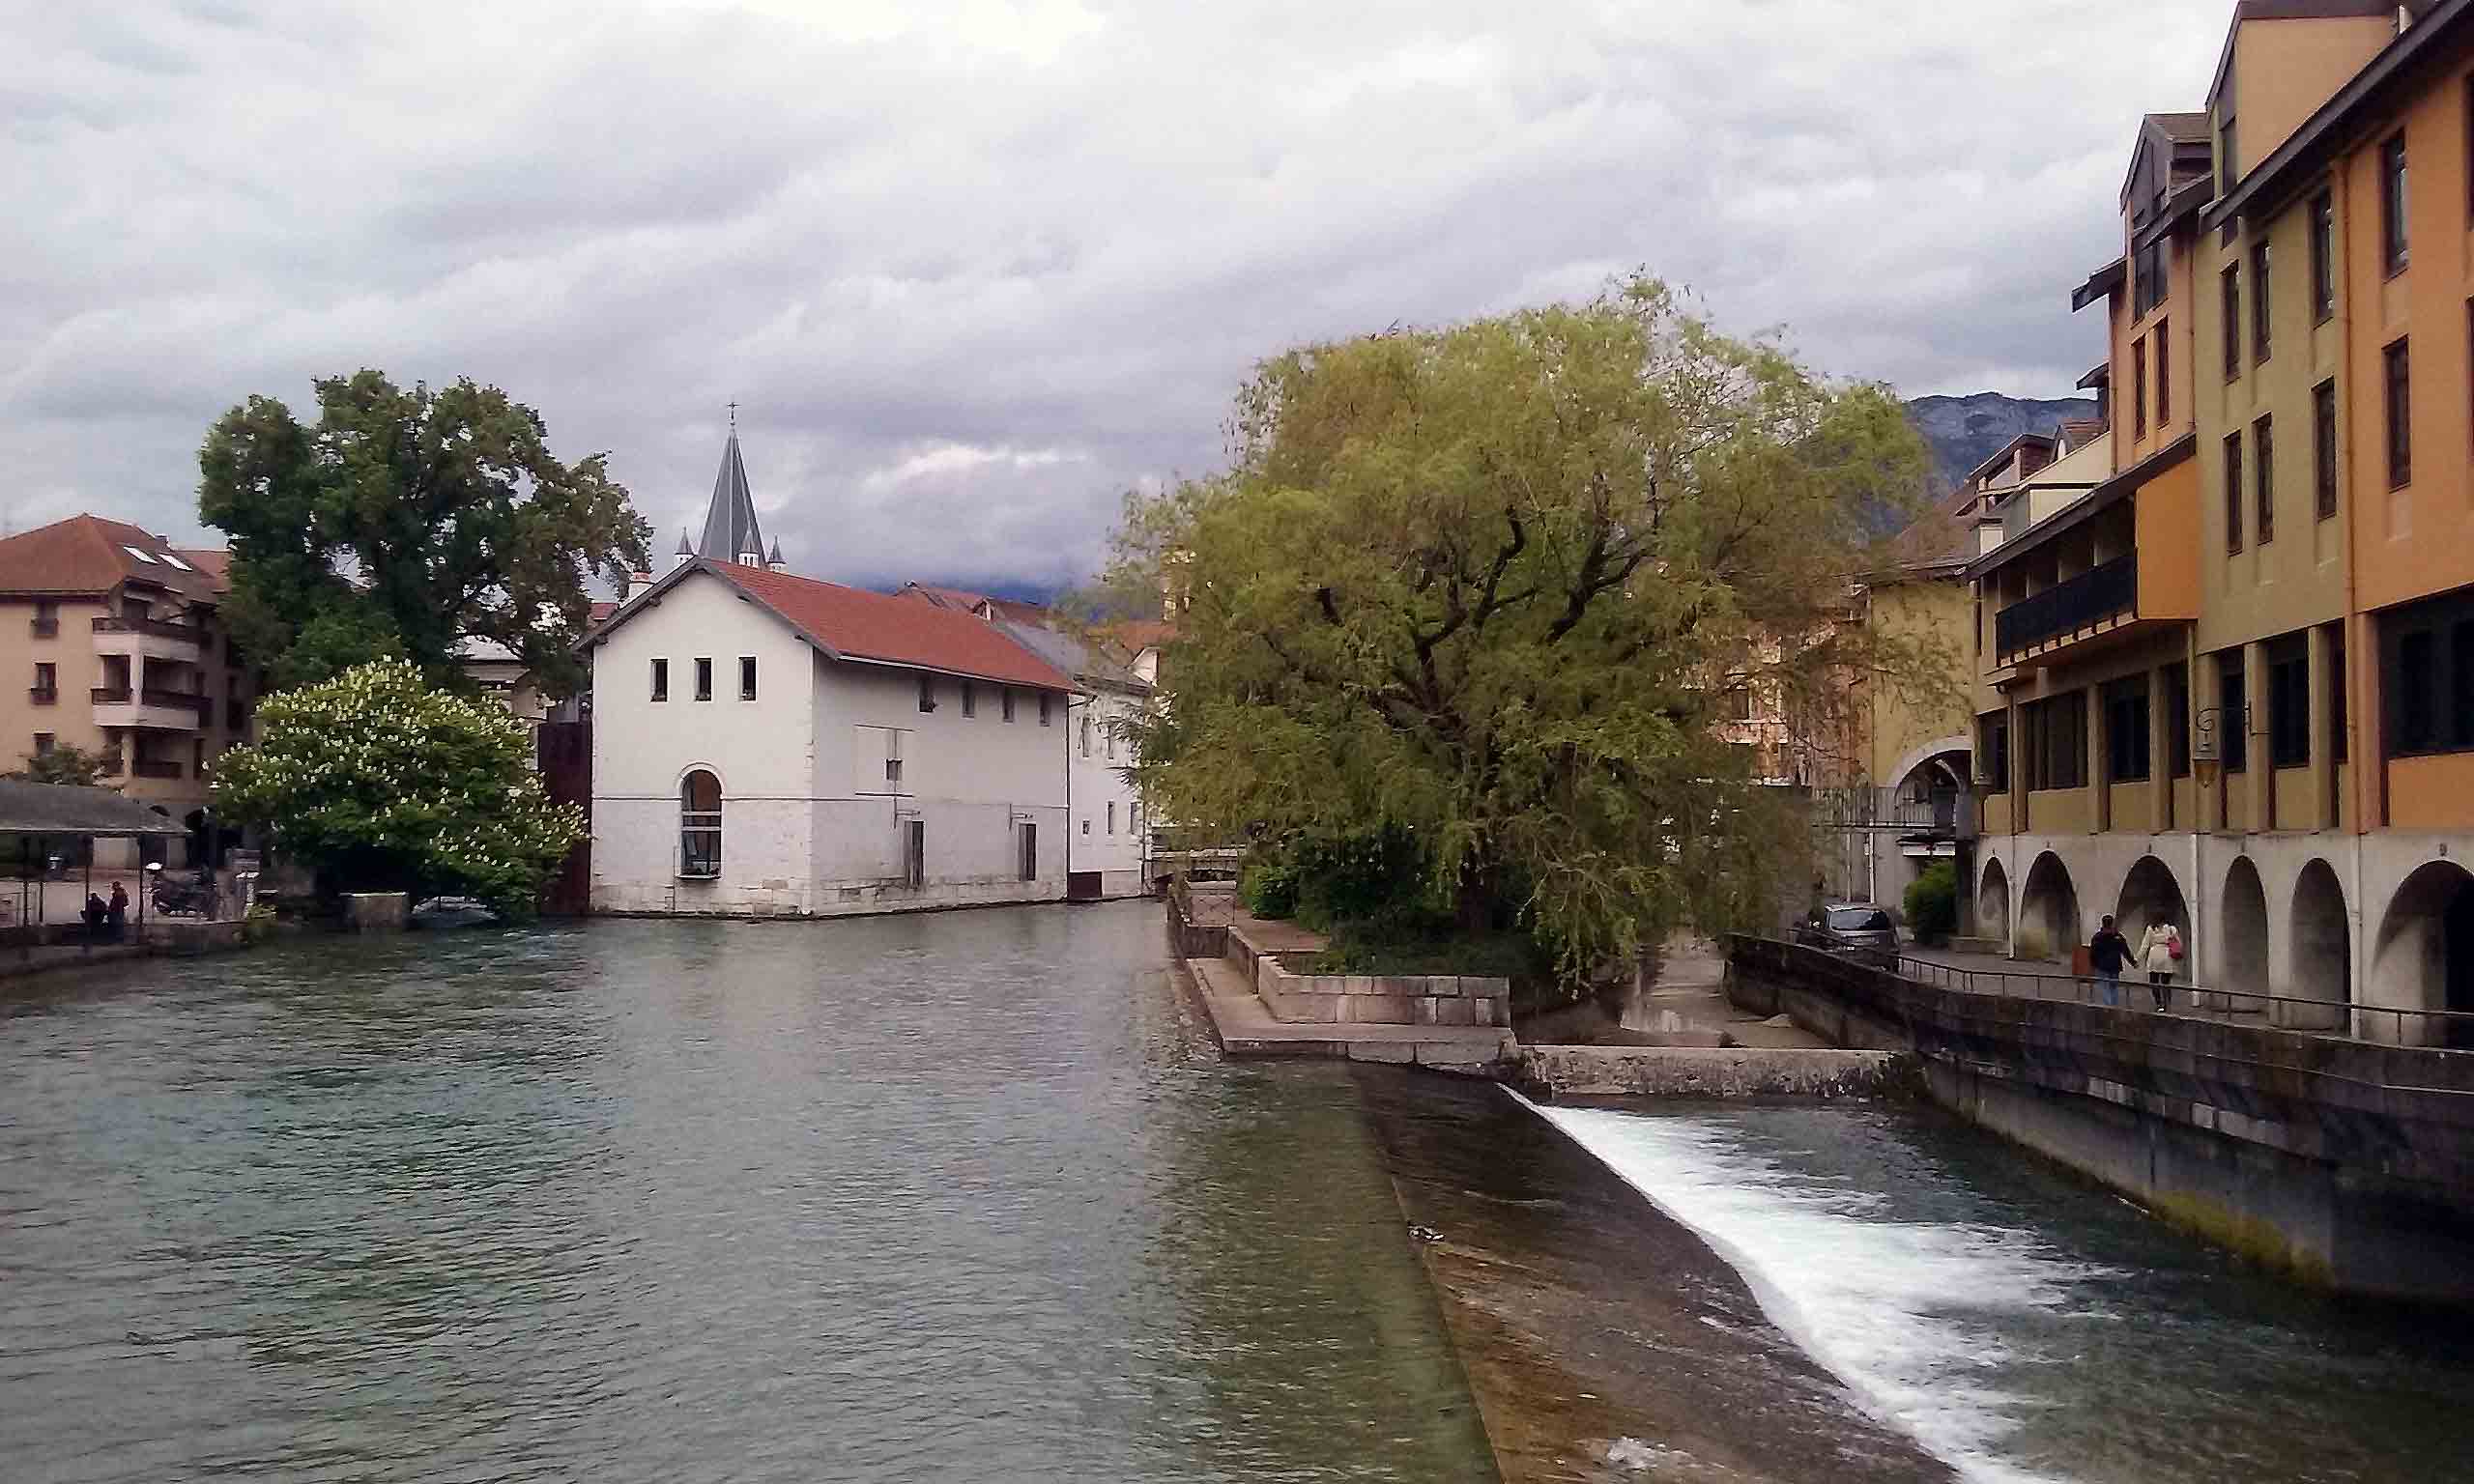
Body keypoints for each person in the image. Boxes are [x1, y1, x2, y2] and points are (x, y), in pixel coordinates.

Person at [2138, 919, 2182, 1011]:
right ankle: (2166, 1004)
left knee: (2154, 982)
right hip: (2166, 956)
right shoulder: (2171, 928)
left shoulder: (2151, 928)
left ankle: (2158, 1003)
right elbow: (2179, 943)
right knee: (2166, 983)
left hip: (2154, 956)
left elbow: (2145, 945)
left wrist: (2137, 959)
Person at [2088, 914, 2130, 1007]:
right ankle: (2114, 1007)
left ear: (2102, 923)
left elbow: (2093, 953)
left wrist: (2092, 965)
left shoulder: (2098, 937)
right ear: (2112, 923)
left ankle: (2109, 1007)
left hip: (2102, 967)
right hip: (2115, 966)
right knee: (2113, 988)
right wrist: (2133, 962)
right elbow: (2125, 950)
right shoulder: (2118, 936)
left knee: (2104, 988)